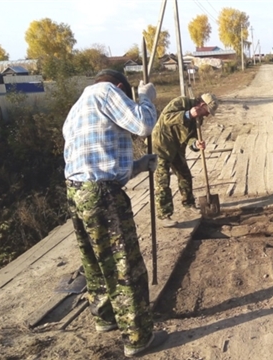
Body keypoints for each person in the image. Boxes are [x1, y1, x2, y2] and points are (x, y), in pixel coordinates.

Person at [63, 69, 167, 357]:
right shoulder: (107, 92)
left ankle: (105, 317)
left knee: (96, 261)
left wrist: (138, 165)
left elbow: (98, 162)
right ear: (121, 87)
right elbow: (144, 125)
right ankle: (138, 337)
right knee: (125, 266)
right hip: (102, 196)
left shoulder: (78, 106)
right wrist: (145, 99)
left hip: (76, 193)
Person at [151, 93, 219, 227]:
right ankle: (165, 214)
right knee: (162, 181)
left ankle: (188, 203)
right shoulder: (181, 103)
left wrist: (195, 144)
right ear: (202, 105)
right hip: (161, 145)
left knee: (185, 175)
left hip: (177, 148)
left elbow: (191, 138)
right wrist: (187, 114)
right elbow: (166, 118)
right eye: (207, 111)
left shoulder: (198, 119)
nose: (207, 115)